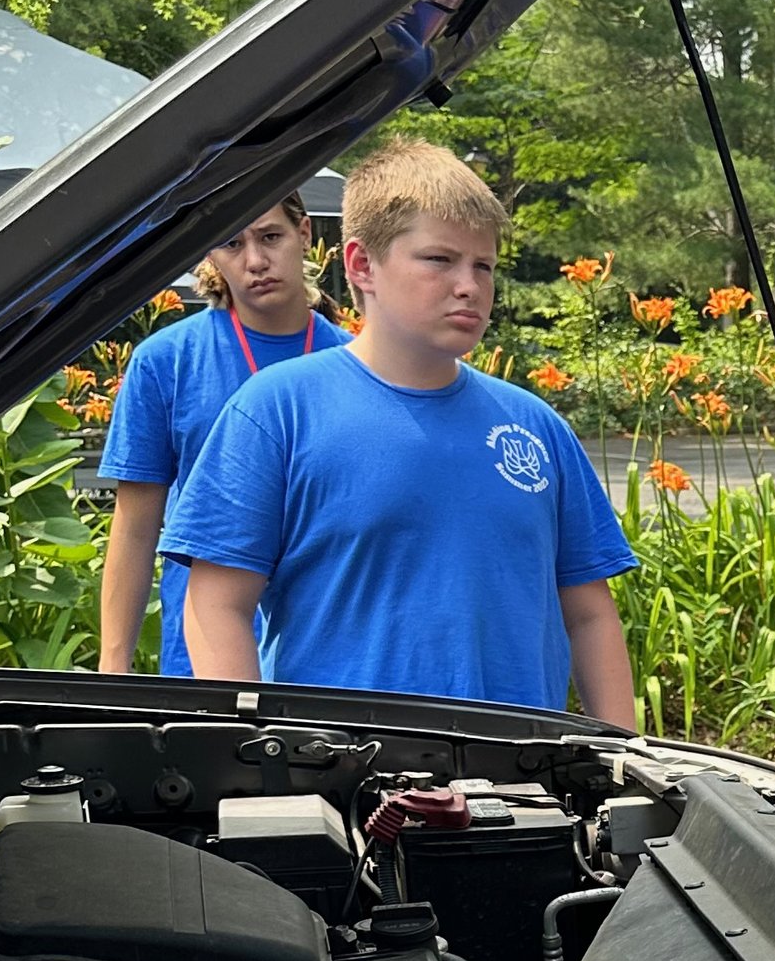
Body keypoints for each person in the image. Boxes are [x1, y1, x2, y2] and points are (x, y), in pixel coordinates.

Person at [167, 141, 638, 720]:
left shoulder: (534, 426)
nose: (469, 285)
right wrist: (260, 766)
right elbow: (216, 606)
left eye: (483, 265)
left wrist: (622, 761)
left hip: (522, 787)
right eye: (440, 260)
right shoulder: (276, 411)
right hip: (345, 786)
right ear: (362, 265)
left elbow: (588, 614)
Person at [95, 193, 349, 674]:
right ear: (210, 254)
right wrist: (114, 671)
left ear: (305, 234)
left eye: (270, 236)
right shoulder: (166, 361)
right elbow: (134, 526)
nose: (255, 260)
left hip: (326, 658)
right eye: (231, 243)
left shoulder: (357, 362)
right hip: (203, 661)